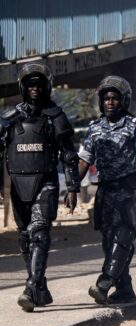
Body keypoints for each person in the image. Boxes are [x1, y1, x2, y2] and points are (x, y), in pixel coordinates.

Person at [0, 62, 80, 312]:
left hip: (45, 182)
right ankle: (41, 288)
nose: (35, 88)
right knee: (24, 238)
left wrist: (73, 187)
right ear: (24, 87)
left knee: (39, 233)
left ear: (47, 86)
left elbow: (69, 154)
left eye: (39, 84)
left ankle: (31, 286)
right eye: (30, 84)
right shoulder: (9, 119)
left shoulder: (56, 116)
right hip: (18, 184)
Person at [74, 76, 136, 305]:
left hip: (128, 190)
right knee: (108, 241)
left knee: (122, 238)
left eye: (114, 98)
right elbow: (83, 160)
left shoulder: (135, 127)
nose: (110, 102)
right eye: (106, 98)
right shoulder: (94, 128)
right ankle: (125, 290)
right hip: (105, 192)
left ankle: (104, 283)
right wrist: (73, 187)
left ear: (123, 100)